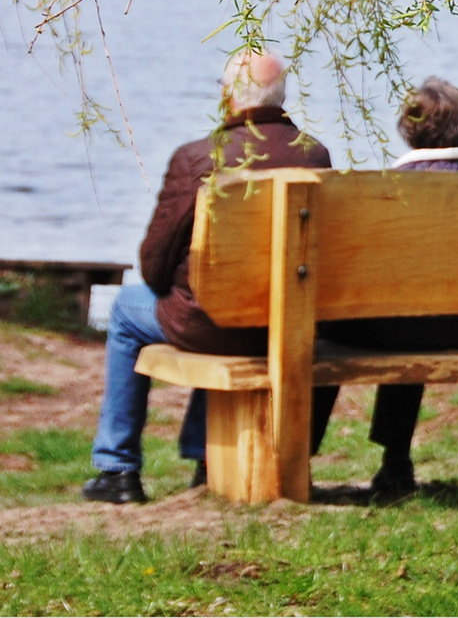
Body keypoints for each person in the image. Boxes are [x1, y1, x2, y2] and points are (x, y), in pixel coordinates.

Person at [83, 51, 332, 503]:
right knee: (218, 301)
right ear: (281, 98)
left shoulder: (198, 157)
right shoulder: (313, 153)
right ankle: (204, 457)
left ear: (227, 97)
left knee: (125, 309)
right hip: (283, 323)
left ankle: (117, 468)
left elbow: (154, 266)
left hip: (211, 323)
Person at [311, 77, 458, 497]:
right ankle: (395, 461)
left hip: (397, 329)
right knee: (418, 307)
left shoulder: (385, 191)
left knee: (328, 328)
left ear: (407, 128)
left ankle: (304, 453)